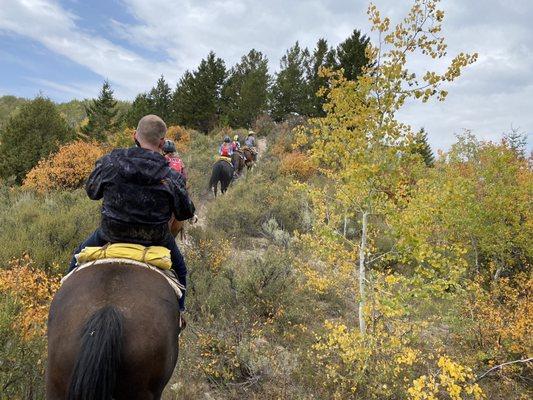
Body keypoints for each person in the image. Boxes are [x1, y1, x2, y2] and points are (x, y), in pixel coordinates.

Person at [67, 115, 195, 312]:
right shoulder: (170, 175)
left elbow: (92, 191)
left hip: (110, 234)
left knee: (76, 258)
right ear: (162, 142)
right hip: (157, 239)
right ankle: (179, 314)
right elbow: (185, 211)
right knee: (181, 269)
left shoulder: (111, 162)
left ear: (135, 135)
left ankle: (64, 304)